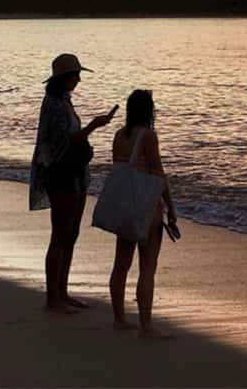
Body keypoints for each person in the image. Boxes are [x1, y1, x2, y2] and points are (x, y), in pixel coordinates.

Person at [30, 53, 115, 313]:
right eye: (75, 75)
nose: (78, 79)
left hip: (74, 172)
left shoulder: (64, 101)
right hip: (59, 173)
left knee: (72, 233)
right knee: (60, 233)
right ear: (64, 78)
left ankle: (62, 292)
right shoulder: (54, 104)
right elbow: (61, 142)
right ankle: (52, 298)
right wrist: (93, 126)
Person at [108, 89, 178, 338]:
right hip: (147, 208)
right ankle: (146, 327)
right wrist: (171, 209)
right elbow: (158, 173)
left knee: (121, 265)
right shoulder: (148, 135)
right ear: (149, 111)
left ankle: (119, 319)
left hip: (124, 206)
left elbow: (119, 170)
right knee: (147, 267)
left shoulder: (118, 135)